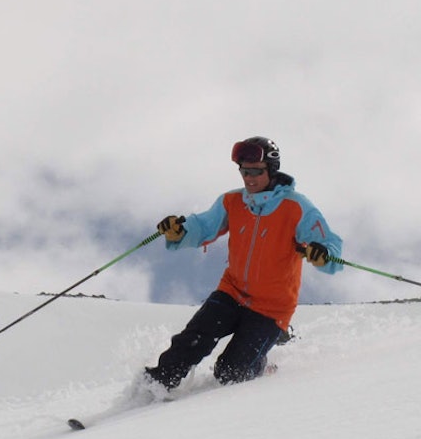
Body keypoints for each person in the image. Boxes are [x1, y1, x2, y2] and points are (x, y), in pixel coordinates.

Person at [142, 135, 342, 393]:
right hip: (232, 292)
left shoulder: (296, 207)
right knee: (191, 342)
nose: (249, 178)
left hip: (271, 309)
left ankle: (263, 363)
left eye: (256, 171)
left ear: (271, 169)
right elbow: (203, 225)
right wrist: (180, 231)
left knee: (230, 373)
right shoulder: (232, 201)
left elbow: (329, 243)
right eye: (244, 171)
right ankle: (151, 388)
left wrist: (323, 253)